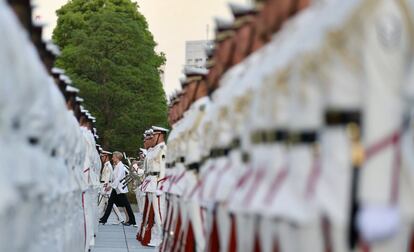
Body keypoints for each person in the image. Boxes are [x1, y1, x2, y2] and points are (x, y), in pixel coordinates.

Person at [99, 151, 136, 226]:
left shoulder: (121, 166)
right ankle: (104, 219)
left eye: (113, 157)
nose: (112, 158)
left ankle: (132, 220)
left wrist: (111, 186)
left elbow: (118, 178)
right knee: (110, 203)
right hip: (117, 188)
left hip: (119, 188)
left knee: (126, 205)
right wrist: (111, 185)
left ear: (117, 157)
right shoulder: (117, 165)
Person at [98, 151, 125, 224]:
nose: (102, 158)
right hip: (105, 185)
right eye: (101, 157)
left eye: (103, 156)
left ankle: (120, 218)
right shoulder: (106, 165)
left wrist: (106, 187)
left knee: (110, 204)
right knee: (104, 203)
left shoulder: (107, 165)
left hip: (106, 186)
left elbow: (108, 178)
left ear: (106, 157)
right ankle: (99, 217)